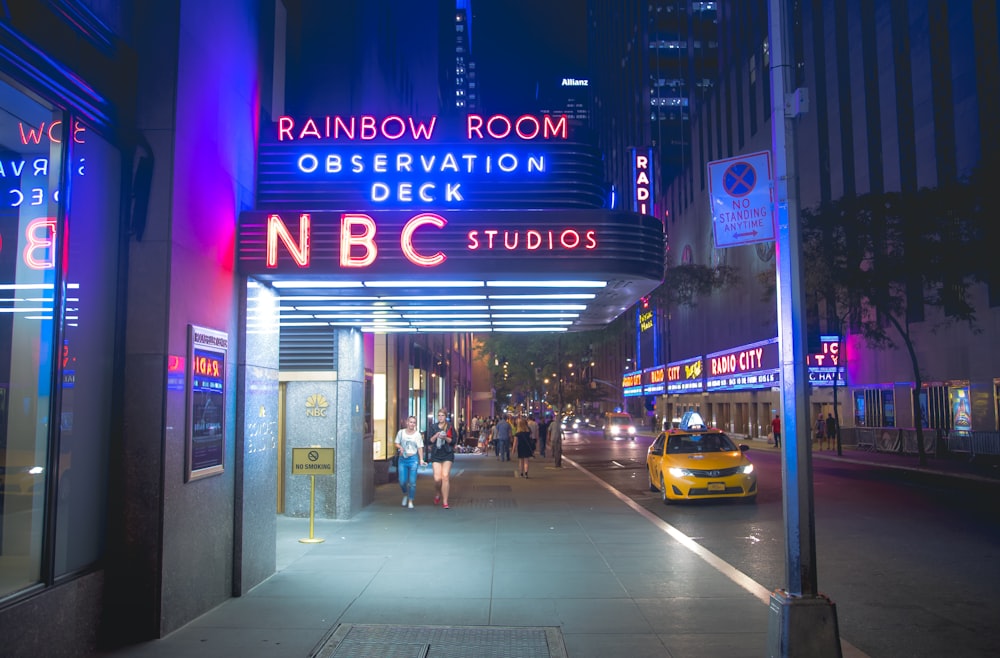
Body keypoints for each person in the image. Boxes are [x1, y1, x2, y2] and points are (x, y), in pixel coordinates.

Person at [394, 416, 425, 509]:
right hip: (402, 459)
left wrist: (421, 459)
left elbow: (420, 447)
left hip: (413, 459)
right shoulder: (401, 433)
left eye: (414, 422)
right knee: (402, 481)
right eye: (410, 422)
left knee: (412, 482)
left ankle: (410, 500)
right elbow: (396, 443)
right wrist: (400, 447)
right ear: (407, 422)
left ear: (415, 424)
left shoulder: (417, 435)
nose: (412, 424)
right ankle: (405, 494)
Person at [429, 409, 456, 509]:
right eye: (439, 415)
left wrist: (445, 438)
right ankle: (437, 493)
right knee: (437, 478)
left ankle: (445, 501)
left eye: (442, 415)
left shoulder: (449, 426)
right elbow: (429, 440)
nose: (440, 417)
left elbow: (453, 441)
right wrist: (436, 435)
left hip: (447, 453)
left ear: (445, 416)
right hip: (436, 454)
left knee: (445, 476)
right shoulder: (433, 427)